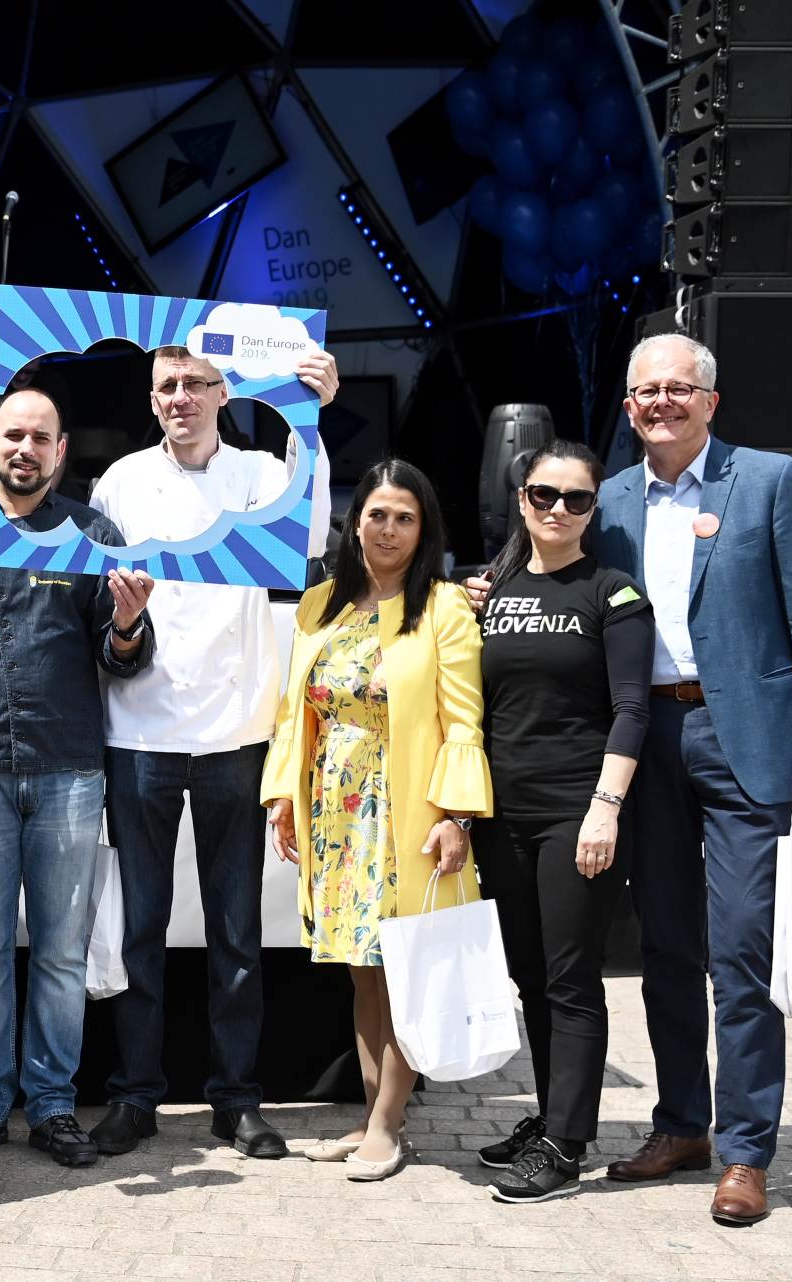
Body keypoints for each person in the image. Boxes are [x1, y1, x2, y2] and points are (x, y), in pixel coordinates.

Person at [470, 333, 792, 1225]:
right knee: (667, 949)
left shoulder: (771, 481)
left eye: (680, 388)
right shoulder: (607, 500)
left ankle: (747, 1151)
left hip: (745, 736)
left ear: (710, 401)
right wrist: (491, 589)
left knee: (739, 952)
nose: (662, 402)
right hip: (646, 738)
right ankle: (682, 1125)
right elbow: (556, 566)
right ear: (630, 407)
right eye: (647, 391)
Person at [83, 342, 338, 1160]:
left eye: (196, 384)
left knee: (236, 932)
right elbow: (102, 601)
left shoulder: (262, 473)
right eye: (168, 386)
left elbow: (310, 540)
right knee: (140, 932)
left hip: (235, 730)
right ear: (151, 399)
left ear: (225, 393)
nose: (181, 398)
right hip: (140, 730)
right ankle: (135, 1096)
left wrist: (310, 420)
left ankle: (236, 1099)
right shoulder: (121, 481)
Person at [0, 387, 156, 1169]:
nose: (24, 449)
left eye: (40, 438)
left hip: (68, 771)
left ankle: (51, 1106)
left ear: (61, 449)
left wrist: (126, 625)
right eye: (11, 435)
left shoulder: (93, 536)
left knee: (60, 951)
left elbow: (122, 659)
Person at [261, 460, 492, 1182]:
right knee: (363, 972)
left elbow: (465, 721)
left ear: (424, 530)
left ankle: (389, 1125)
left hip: (406, 811)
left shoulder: (444, 607)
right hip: (336, 810)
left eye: (405, 518)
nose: (389, 530)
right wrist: (283, 796)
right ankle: (372, 1117)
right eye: (377, 514)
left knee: (403, 970)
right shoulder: (319, 604)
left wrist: (457, 815)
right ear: (354, 521)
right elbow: (293, 712)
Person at [467, 440, 655, 1203]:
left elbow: (632, 709)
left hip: (577, 813)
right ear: (522, 499)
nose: (558, 509)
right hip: (501, 817)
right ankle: (550, 1118)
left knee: (571, 980)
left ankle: (568, 1147)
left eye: (576, 499)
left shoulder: (613, 593)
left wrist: (605, 810)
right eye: (545, 494)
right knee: (530, 977)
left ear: (592, 509)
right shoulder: (493, 590)